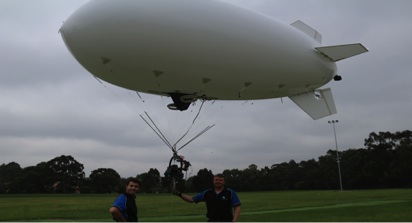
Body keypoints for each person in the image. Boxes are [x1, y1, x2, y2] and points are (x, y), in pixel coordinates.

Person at [173, 173, 241, 222]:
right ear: (213, 181)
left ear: (224, 182)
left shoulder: (230, 192)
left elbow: (237, 207)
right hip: (211, 220)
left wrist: (234, 221)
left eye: (220, 180)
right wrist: (179, 194)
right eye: (216, 180)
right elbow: (191, 199)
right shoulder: (207, 193)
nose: (218, 181)